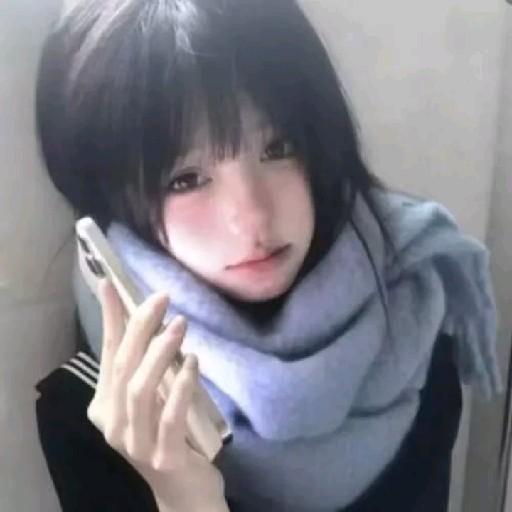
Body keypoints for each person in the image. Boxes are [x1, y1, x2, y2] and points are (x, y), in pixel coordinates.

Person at [34, 0, 502, 511]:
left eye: (278, 148)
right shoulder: (96, 416)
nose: (253, 216)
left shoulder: (415, 321)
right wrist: (184, 500)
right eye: (186, 179)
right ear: (113, 199)